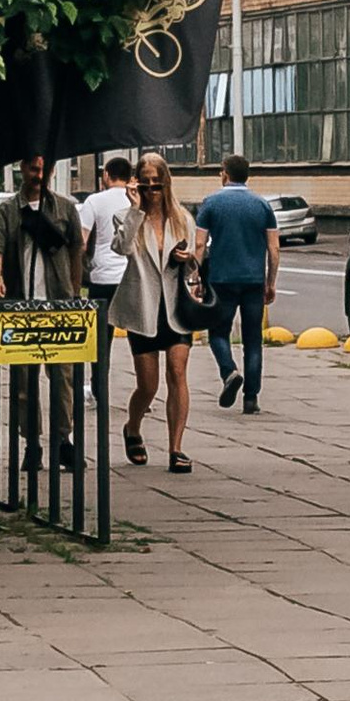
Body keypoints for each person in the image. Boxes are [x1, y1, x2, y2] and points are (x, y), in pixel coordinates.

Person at [0, 145, 85, 475]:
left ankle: (63, 441)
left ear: (52, 171)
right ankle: (32, 443)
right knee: (24, 382)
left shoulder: (65, 209)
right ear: (22, 169)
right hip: (22, 304)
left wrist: (74, 290)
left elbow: (76, 250)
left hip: (57, 303)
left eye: (43, 170)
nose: (38, 176)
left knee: (63, 378)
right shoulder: (7, 211)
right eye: (32, 169)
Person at [111, 151, 208, 471]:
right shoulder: (128, 216)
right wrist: (136, 208)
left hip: (177, 308)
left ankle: (176, 448)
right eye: (147, 185)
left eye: (158, 185)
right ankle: (133, 427)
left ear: (167, 184)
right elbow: (121, 249)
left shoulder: (182, 217)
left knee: (178, 373)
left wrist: (187, 259)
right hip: (143, 308)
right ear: (137, 184)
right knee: (148, 385)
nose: (153, 191)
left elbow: (196, 258)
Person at [195, 154, 280, 414]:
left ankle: (229, 371)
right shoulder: (262, 205)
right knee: (253, 339)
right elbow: (274, 249)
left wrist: (195, 277)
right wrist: (270, 282)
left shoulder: (211, 203)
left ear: (224, 173)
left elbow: (199, 244)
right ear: (247, 175)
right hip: (253, 281)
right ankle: (251, 398)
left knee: (218, 333)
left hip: (221, 280)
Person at [77, 151, 135, 352]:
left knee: (101, 339)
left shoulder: (94, 201)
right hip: (131, 278)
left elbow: (81, 243)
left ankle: (99, 380)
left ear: (107, 175)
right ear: (130, 177)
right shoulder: (137, 201)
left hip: (102, 278)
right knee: (138, 340)